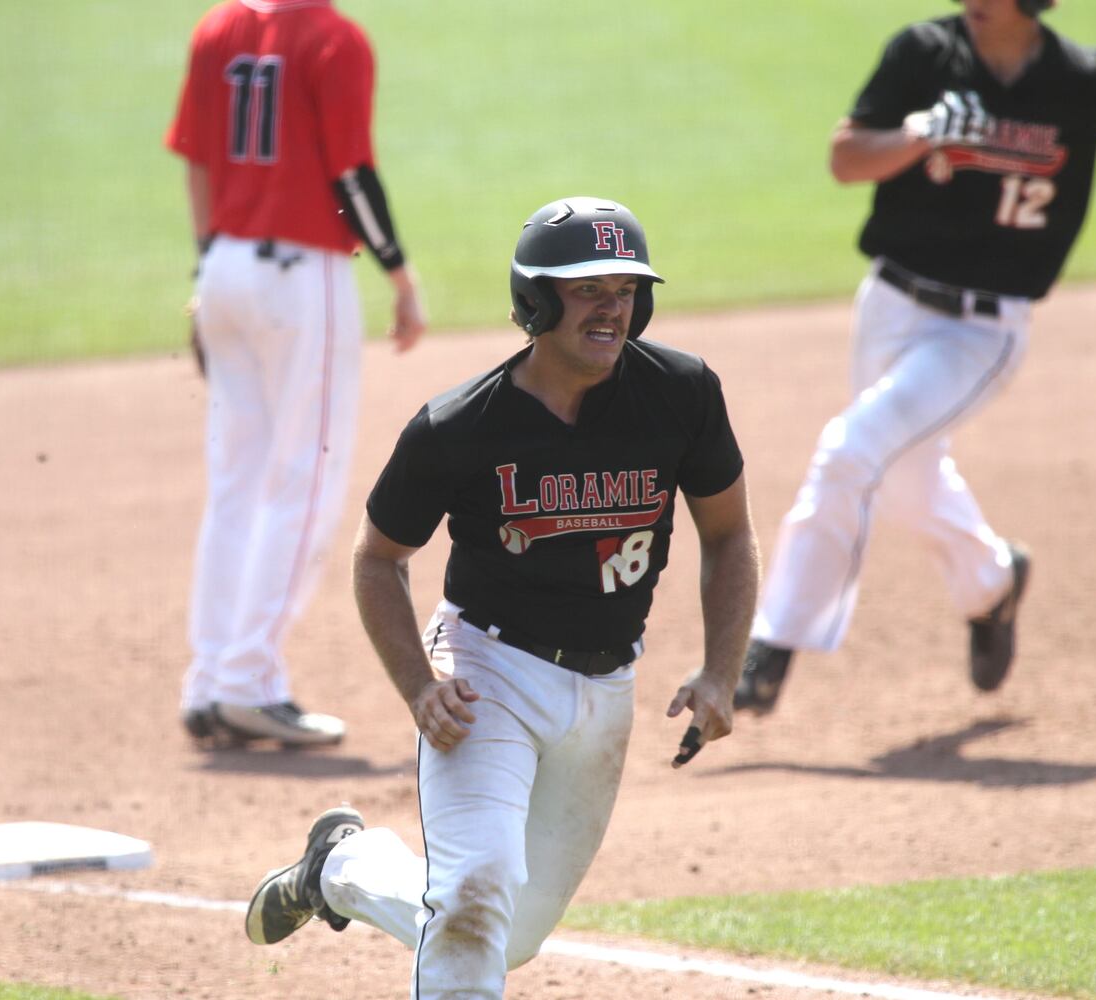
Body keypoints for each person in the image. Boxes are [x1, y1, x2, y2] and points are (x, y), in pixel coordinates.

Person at [241, 196, 760, 998]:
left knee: (504, 935)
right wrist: (420, 685)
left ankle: (341, 869)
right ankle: (365, 878)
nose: (612, 307)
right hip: (489, 677)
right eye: (588, 289)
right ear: (537, 301)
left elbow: (729, 536)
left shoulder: (681, 393)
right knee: (474, 896)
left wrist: (722, 671)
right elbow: (378, 558)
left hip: (607, 690)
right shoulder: (460, 427)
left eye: (625, 289)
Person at [733, 0, 1096, 715]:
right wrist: (918, 133)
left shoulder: (1082, 78)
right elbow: (846, 160)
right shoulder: (924, 54)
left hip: (980, 332)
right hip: (888, 305)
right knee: (907, 476)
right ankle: (993, 582)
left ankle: (770, 645)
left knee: (852, 449)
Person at [164, 0, 427, 746]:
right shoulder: (333, 38)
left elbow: (197, 158)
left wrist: (207, 266)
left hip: (225, 267)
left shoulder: (219, 27)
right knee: (305, 481)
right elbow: (350, 172)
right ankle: (248, 681)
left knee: (237, 481)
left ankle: (211, 678)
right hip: (300, 278)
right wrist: (400, 278)